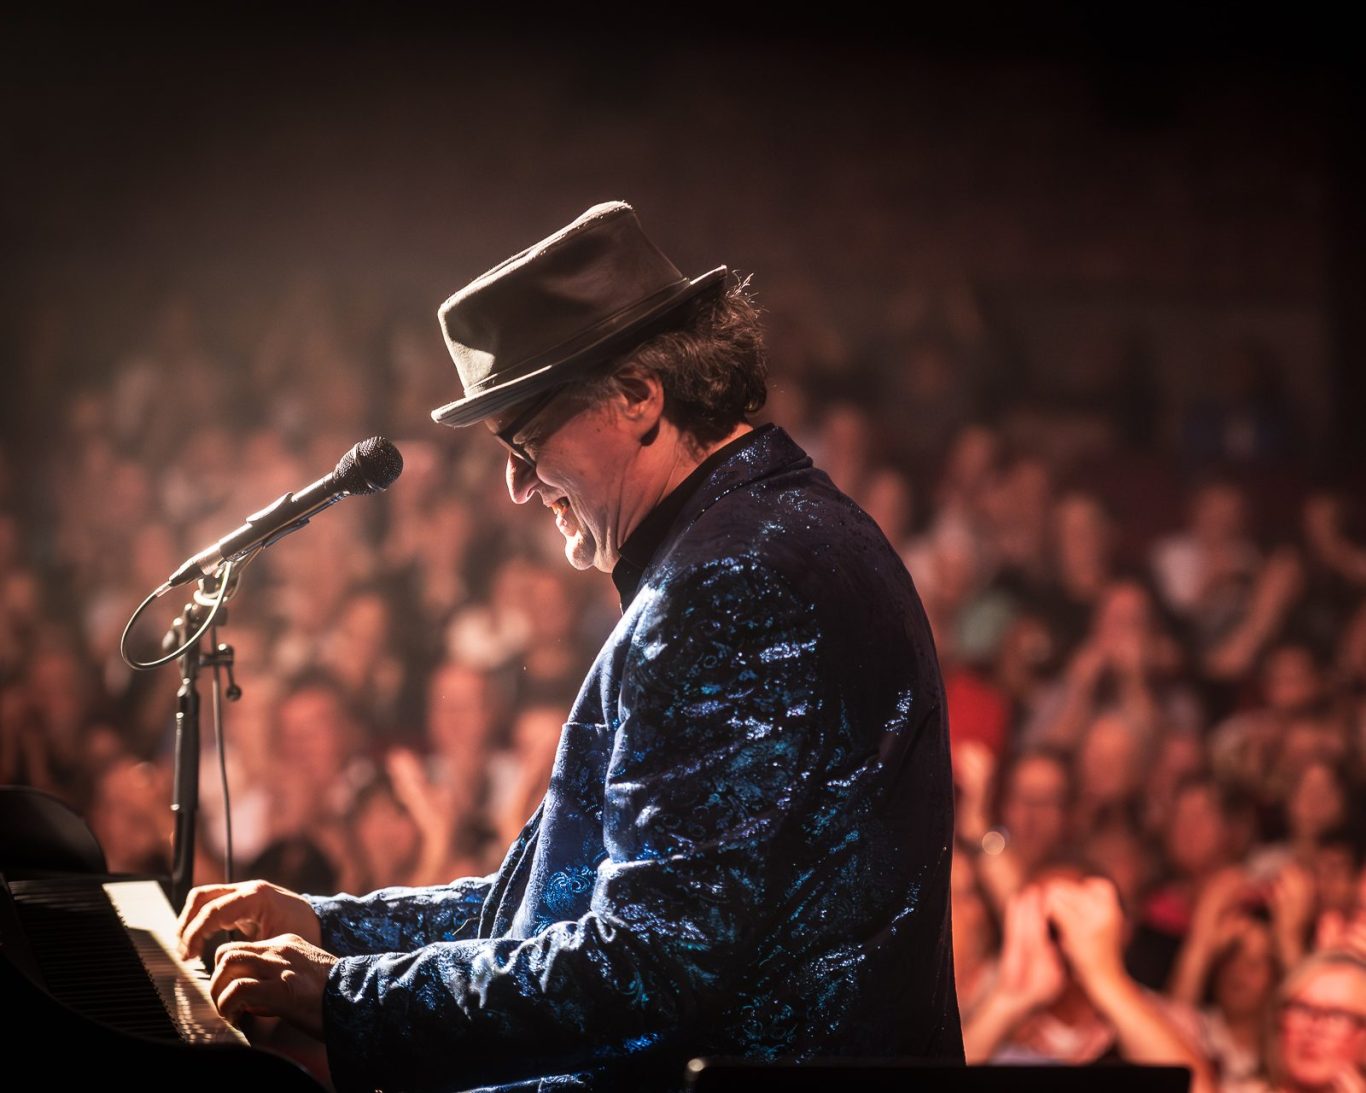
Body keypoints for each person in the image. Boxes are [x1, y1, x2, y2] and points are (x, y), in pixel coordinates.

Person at [175, 201, 962, 1091]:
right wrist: (332, 930)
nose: (516, 484)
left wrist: (346, 996)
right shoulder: (784, 526)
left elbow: (647, 962)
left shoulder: (727, 584)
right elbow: (559, 898)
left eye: (527, 437)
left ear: (639, 396)